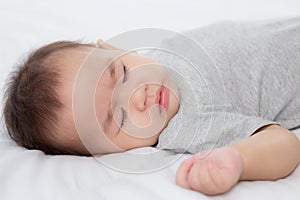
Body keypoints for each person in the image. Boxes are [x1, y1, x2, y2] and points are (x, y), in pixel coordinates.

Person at [3, 17, 300, 195]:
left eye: (120, 73)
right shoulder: (185, 125)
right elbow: (283, 143)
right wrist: (240, 160)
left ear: (112, 48)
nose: (137, 95)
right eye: (118, 118)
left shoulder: (158, 54)